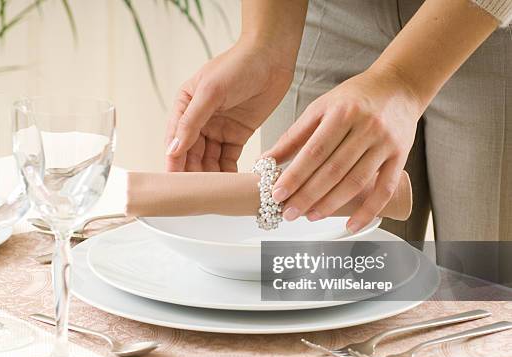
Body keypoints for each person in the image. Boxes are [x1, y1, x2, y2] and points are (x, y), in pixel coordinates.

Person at [164, 0, 511, 250]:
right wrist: (265, 41)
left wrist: (403, 80)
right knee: (316, 287)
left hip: (490, 27)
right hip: (322, 19)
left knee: (488, 298)